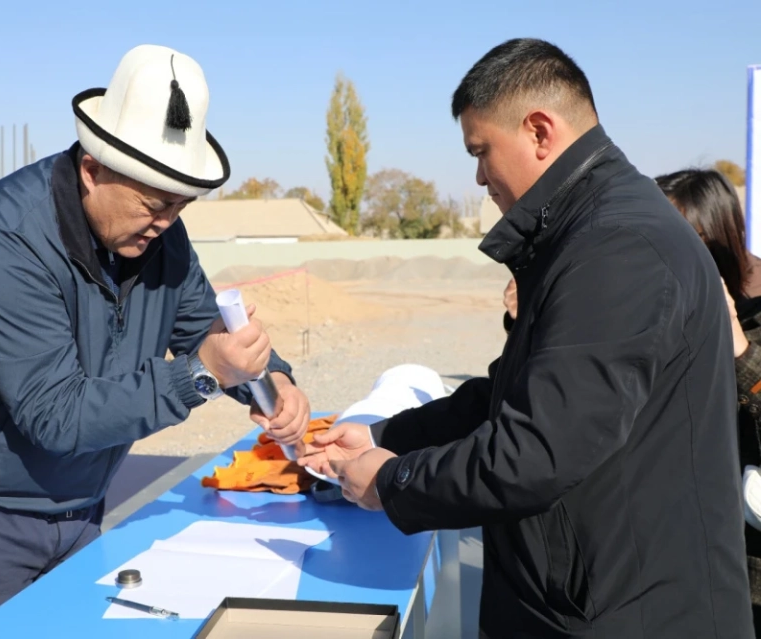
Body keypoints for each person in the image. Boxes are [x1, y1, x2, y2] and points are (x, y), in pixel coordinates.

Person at [299, 38, 753, 638]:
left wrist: (391, 482)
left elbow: (533, 452)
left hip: (627, 614)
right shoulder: (590, 232)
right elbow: (516, 391)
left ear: (540, 131)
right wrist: (388, 433)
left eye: (482, 151)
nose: (480, 175)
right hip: (591, 598)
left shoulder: (618, 250)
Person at [0, 44, 311, 639]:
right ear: (92, 169)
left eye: (180, 206)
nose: (166, 221)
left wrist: (275, 381)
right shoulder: (4, 244)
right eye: (153, 204)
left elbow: (203, 326)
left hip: (80, 510)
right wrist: (203, 375)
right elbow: (55, 415)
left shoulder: (160, 237)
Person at [654, 168, 761, 635]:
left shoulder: (751, 310)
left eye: (685, 239)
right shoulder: (662, 309)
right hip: (674, 556)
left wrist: (738, 347)